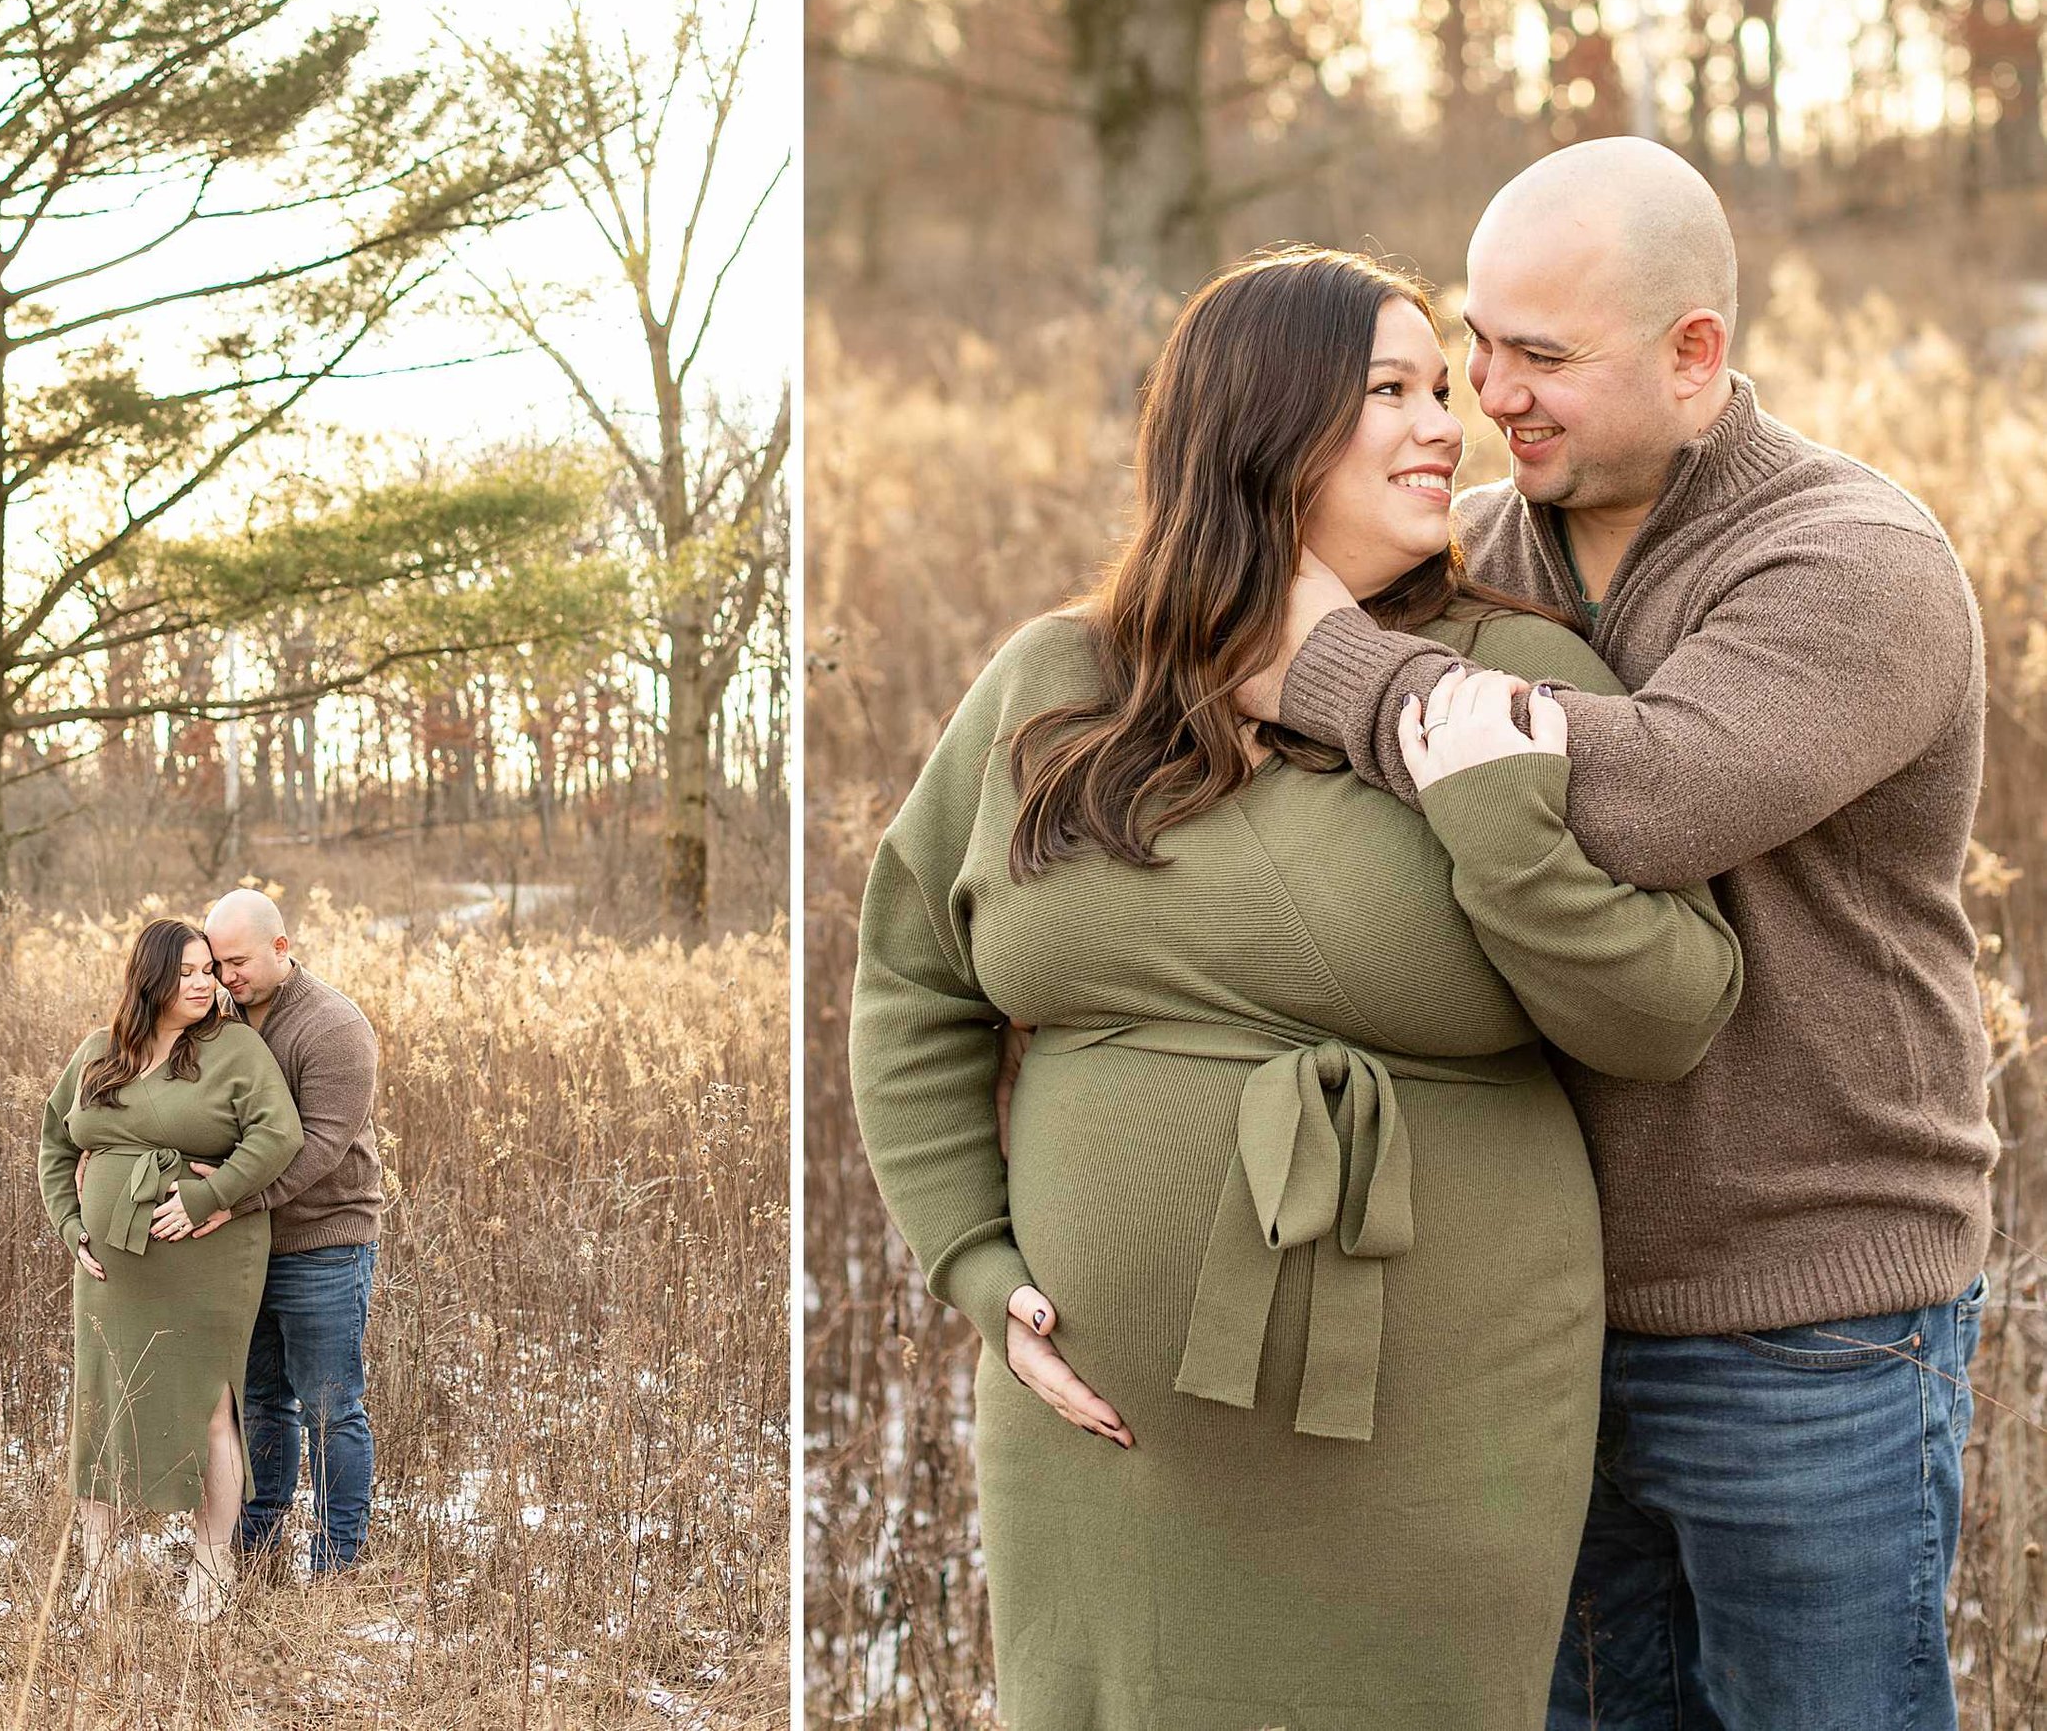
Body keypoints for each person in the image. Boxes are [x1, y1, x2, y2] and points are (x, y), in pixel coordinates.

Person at [850, 245, 1743, 1728]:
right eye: (1387, 390)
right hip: (1104, 1429)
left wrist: (1495, 815)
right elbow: (909, 985)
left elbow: (1669, 1010)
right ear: (1257, 428)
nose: (1442, 426)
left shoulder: (1514, 674)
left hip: (1433, 1413)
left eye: (1439, 389)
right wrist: (975, 1264)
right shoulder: (1056, 682)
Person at [1240, 139, 1995, 1731]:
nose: (1485, 397)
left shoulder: (1853, 562)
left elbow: (1644, 800)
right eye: (1477, 344)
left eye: (1545, 357)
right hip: (1538, 1322)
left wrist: (1340, 675)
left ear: (1695, 354)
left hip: (1813, 1327)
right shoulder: (1480, 557)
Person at [37, 916, 304, 1624]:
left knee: (210, 1403)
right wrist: (70, 1225)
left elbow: (280, 1135)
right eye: (187, 970)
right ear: (150, 977)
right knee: (102, 1401)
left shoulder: (233, 1049)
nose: (204, 982)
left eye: (209, 970)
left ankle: (211, 1570)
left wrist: (208, 1195)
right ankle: (97, 1572)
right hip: (110, 1267)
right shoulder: (99, 1054)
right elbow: (54, 1146)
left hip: (207, 1257)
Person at [181, 888, 385, 1578]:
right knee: (261, 1402)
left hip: (324, 1237)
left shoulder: (333, 1027)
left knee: (331, 1406)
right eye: (216, 962)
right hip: (245, 1245)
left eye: (237, 961)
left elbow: (320, 1146)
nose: (225, 975)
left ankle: (337, 1565)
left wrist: (228, 1199)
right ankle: (257, 1549)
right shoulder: (215, 1020)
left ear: (281, 946)